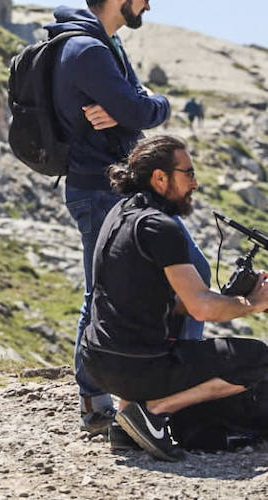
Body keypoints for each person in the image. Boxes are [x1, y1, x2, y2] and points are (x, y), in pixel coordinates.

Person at [47, 0, 181, 432]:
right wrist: (136, 107)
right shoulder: (88, 51)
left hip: (108, 186)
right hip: (98, 187)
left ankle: (118, 396)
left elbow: (141, 105)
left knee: (121, 286)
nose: (148, 6)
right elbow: (143, 110)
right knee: (101, 289)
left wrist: (136, 106)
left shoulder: (105, 45)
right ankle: (96, 400)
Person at [78, 135, 268, 461]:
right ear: (160, 178)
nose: (195, 183)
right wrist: (255, 304)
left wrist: (238, 297)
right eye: (188, 173)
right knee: (258, 357)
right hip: (139, 367)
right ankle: (152, 411)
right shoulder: (160, 226)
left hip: (97, 361)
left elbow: (161, 299)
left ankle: (128, 427)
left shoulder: (119, 213)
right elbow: (201, 308)